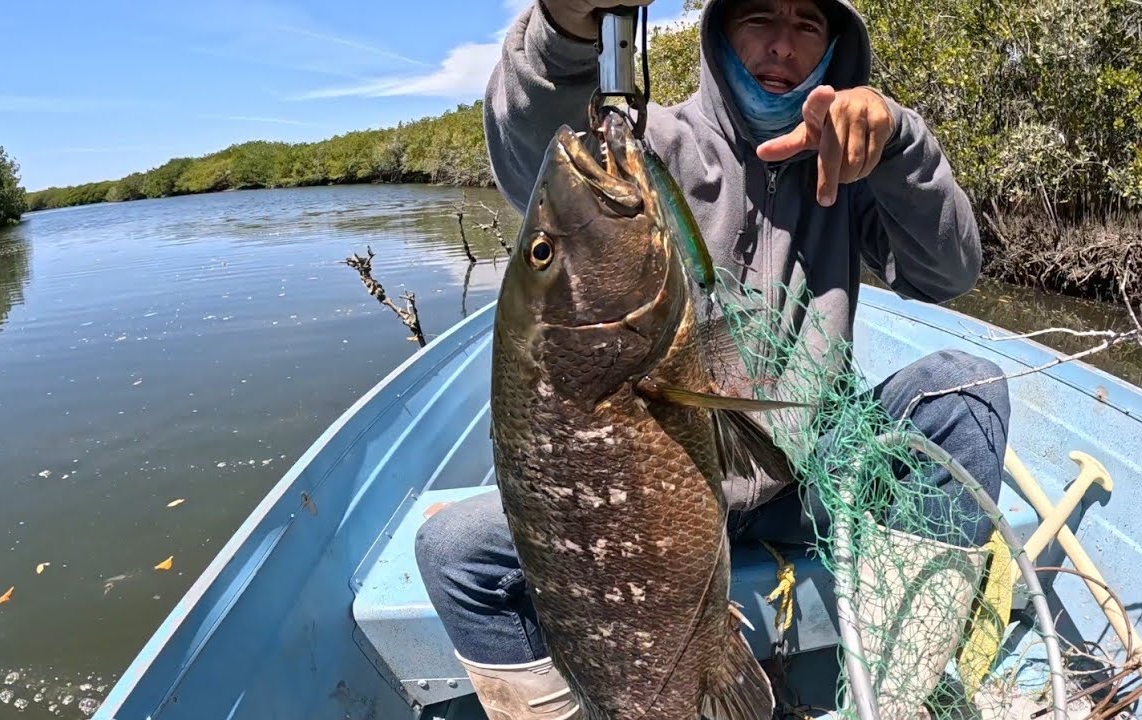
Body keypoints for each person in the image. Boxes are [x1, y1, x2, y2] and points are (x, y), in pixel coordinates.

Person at [415, 0, 1012, 717]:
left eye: (807, 25)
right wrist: (565, 28)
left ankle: (898, 698)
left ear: (834, 48)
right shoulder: (650, 146)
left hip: (806, 483)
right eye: (758, 17)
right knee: (456, 551)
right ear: (719, 34)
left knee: (964, 391)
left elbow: (948, 273)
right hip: (659, 503)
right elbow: (534, 148)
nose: (782, 45)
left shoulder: (852, 167)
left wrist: (897, 143)